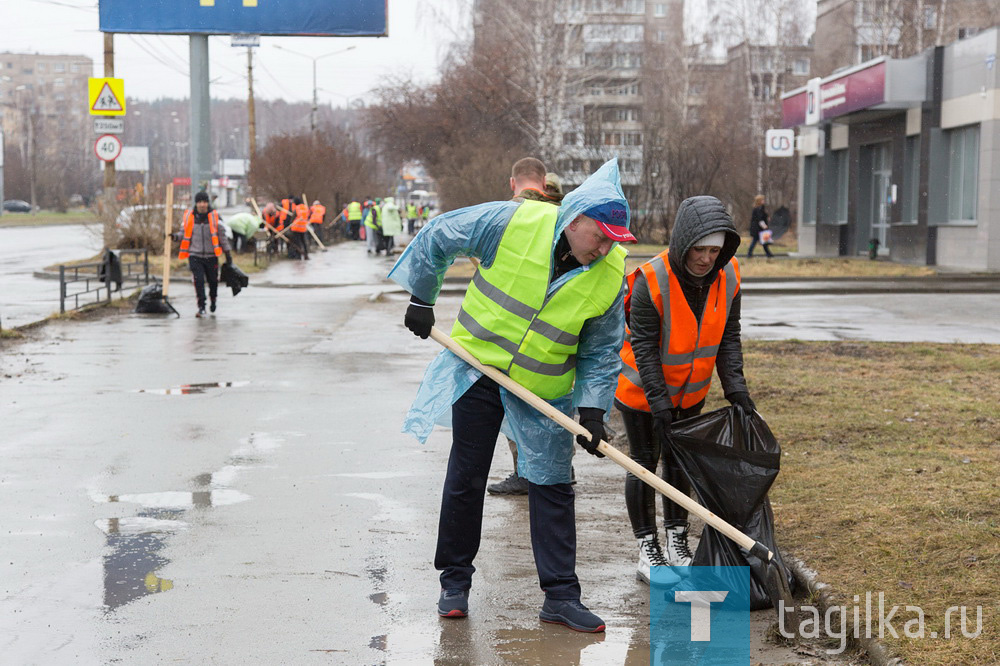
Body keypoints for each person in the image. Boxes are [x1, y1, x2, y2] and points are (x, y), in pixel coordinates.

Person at [391, 159, 637, 633]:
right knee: (467, 473)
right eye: (599, 236)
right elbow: (440, 234)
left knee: (552, 484)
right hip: (479, 368)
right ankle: (455, 583)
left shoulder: (609, 274)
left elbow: (603, 350)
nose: (605, 248)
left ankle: (562, 596)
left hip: (542, 389)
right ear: (575, 218)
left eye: (614, 241)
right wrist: (423, 297)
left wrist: (592, 409)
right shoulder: (513, 222)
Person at [615, 195, 755, 583]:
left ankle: (677, 540)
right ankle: (648, 547)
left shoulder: (729, 276)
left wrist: (736, 390)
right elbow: (643, 345)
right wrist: (659, 403)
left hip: (690, 390)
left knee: (680, 463)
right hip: (644, 391)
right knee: (644, 462)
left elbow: (729, 337)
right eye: (700, 249)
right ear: (683, 244)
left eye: (715, 250)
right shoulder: (652, 279)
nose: (707, 258)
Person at [487, 158, 565, 497]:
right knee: (550, 399)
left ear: (512, 182)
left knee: (515, 404)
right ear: (545, 183)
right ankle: (557, 466)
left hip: (514, 325)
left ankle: (524, 472)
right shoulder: (560, 215)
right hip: (555, 322)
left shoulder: (507, 214)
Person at [178, 191, 232, 318]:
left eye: (204, 202)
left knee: (213, 282)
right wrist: (174, 237)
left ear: (208, 203)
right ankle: (201, 307)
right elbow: (182, 233)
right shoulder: (189, 217)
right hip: (195, 255)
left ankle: (213, 300)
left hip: (211, 256)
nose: (202, 205)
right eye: (199, 202)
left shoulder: (214, 217)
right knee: (199, 281)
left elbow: (222, 237)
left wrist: (228, 253)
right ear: (196, 204)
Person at [747, 194, 774, 258]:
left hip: (758, 228)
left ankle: (768, 253)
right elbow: (759, 219)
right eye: (762, 200)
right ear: (759, 201)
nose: (764, 201)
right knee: (756, 241)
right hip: (757, 228)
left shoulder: (760, 208)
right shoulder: (758, 209)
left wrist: (767, 217)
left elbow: (763, 216)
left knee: (764, 241)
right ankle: (749, 254)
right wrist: (764, 226)